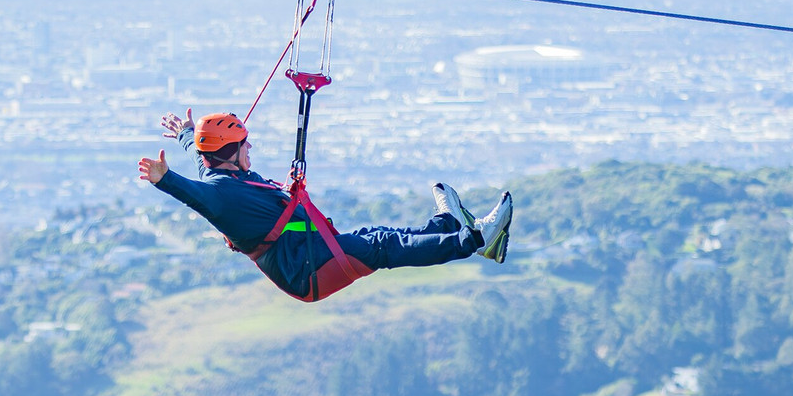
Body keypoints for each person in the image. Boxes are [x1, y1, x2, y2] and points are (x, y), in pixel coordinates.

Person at [138, 109, 512, 300]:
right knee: (381, 247)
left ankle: (447, 225)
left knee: (376, 236)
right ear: (229, 153)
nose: (250, 148)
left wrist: (188, 134)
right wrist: (164, 180)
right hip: (305, 270)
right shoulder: (219, 195)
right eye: (244, 144)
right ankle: (476, 241)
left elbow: (199, 156)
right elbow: (196, 196)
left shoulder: (219, 172)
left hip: (308, 252)